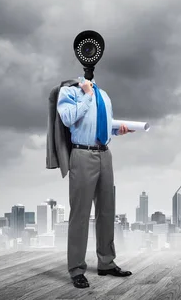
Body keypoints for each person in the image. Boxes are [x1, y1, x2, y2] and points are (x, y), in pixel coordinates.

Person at [56, 77, 134, 289]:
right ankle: (76, 269)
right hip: (82, 154)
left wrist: (119, 129)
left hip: (105, 155)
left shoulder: (105, 95)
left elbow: (102, 125)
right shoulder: (70, 92)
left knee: (107, 211)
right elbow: (68, 118)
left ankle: (106, 263)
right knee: (80, 214)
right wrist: (87, 94)